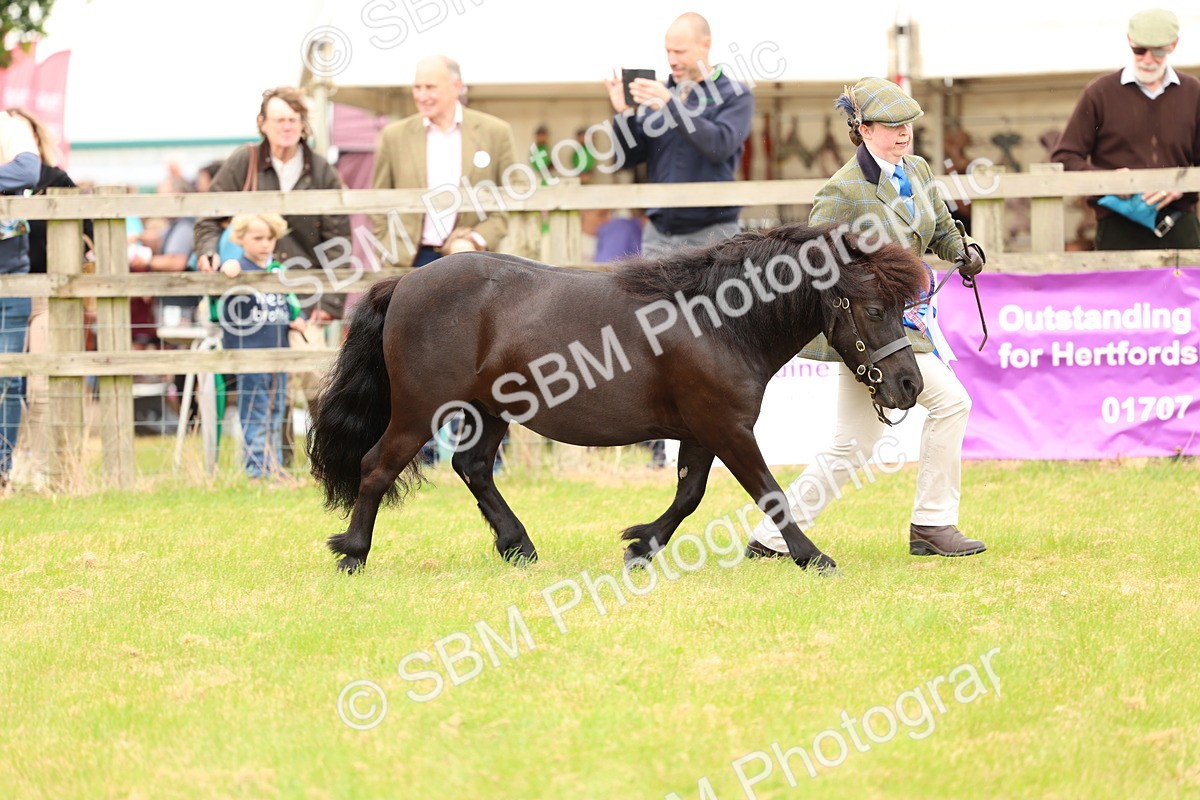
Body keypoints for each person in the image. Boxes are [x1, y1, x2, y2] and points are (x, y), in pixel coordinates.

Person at [745, 78, 988, 560]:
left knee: (852, 446)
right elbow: (815, 264)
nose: (904, 135)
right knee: (951, 403)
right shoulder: (841, 191)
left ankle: (770, 538)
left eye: (908, 126)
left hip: (906, 322)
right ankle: (933, 524)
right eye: (892, 127)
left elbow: (939, 228)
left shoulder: (916, 170)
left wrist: (963, 250)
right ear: (863, 128)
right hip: (868, 328)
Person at [194, 86, 351, 466]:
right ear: (262, 124)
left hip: (300, 298)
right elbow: (207, 217)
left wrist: (329, 304)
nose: (286, 126)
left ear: (303, 125)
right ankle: (269, 463)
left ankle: (327, 459)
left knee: (316, 378)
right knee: (262, 378)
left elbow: (339, 243)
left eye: (293, 119)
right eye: (279, 119)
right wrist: (209, 251)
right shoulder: (243, 162)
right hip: (246, 298)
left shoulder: (320, 170)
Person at [602, 12, 754, 257]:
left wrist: (670, 104)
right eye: (668, 51)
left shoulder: (734, 94)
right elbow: (628, 159)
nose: (672, 60)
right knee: (651, 298)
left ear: (706, 45)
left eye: (679, 52)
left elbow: (718, 147)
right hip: (658, 236)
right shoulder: (661, 93)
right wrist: (624, 115)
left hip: (712, 236)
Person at [1052, 9, 1200, 250]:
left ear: (1173, 45)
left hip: (1179, 222)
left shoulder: (1193, 92)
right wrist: (1109, 181)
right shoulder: (1099, 93)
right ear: (1129, 40)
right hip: (1117, 225)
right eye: (1140, 50)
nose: (1148, 59)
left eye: (1158, 51)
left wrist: (1180, 186)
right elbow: (1064, 157)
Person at [6, 108, 91, 490]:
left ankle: (37, 465)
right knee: (11, 384)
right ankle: (13, 462)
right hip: (14, 289)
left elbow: (89, 233)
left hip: (46, 294)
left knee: (39, 385)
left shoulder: (54, 180)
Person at [370, 55, 518, 268]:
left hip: (471, 257)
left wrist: (474, 239)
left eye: (430, 87)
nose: (422, 95)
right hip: (410, 260)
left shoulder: (496, 132)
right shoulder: (393, 136)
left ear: (456, 86)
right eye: (417, 87)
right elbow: (378, 199)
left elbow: (511, 196)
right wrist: (386, 244)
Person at [214, 213, 306, 480]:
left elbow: (289, 301)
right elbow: (224, 275)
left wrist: (296, 317)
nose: (265, 244)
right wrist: (228, 267)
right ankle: (256, 469)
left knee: (276, 408)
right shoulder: (238, 267)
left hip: (278, 352)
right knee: (255, 407)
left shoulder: (277, 270)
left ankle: (273, 466)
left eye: (270, 238)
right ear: (241, 239)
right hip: (251, 352)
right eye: (258, 238)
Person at [0, 110, 42, 492]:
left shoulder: (8, 126)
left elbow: (28, 172)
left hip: (11, 272)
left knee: (8, 378)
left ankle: (2, 471)